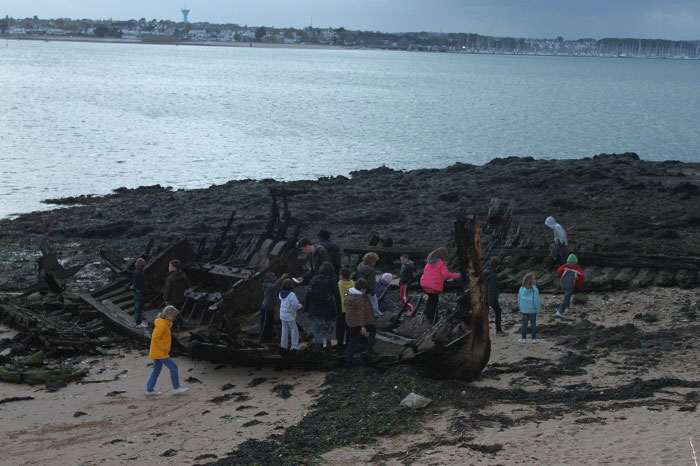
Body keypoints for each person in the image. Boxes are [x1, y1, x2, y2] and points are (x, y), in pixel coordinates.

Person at [146, 306, 188, 395]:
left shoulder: (165, 323)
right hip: (160, 352)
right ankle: (176, 388)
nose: (175, 318)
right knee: (174, 367)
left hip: (157, 351)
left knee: (156, 370)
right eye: (174, 316)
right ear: (168, 315)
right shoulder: (161, 325)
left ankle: (149, 390)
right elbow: (155, 338)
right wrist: (165, 348)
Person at [304, 262, 341, 350]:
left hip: (315, 308)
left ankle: (319, 346)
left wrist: (306, 307)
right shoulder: (333, 280)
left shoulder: (314, 278)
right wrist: (339, 309)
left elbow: (308, 294)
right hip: (329, 309)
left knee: (317, 329)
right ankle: (327, 343)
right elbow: (337, 296)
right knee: (329, 326)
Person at [420, 248, 460, 324]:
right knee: (434, 301)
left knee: (430, 299)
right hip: (433, 285)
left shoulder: (429, 263)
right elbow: (446, 275)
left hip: (425, 284)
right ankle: (432, 318)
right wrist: (457, 276)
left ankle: (427, 315)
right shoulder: (441, 263)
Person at [344, 278, 377, 366]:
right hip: (359, 322)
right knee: (373, 330)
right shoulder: (360, 298)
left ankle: (349, 360)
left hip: (351, 322)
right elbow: (362, 313)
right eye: (365, 290)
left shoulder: (348, 295)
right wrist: (363, 326)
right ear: (362, 289)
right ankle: (369, 349)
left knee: (352, 340)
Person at [260, 271, 288, 343]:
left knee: (269, 325)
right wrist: (282, 278)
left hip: (271, 308)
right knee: (265, 325)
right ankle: (262, 340)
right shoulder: (266, 284)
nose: (275, 278)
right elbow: (274, 286)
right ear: (270, 278)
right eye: (274, 277)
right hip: (266, 307)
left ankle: (268, 339)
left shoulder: (271, 285)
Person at [483, 257, 506, 336]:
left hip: (484, 296)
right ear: (497, 266)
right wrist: (491, 301)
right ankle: (498, 330)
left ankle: (483, 331)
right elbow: (491, 289)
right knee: (498, 312)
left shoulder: (485, 272)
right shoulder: (493, 276)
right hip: (491, 297)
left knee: (485, 314)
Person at [164, 259, 189, 331]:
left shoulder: (170, 277)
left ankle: (174, 327)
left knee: (171, 314)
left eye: (170, 266)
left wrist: (166, 299)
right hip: (180, 298)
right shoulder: (183, 275)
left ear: (174, 267)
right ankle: (182, 324)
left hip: (171, 299)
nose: (169, 267)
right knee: (177, 312)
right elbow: (187, 286)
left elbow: (167, 290)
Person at [518, 272, 541, 343]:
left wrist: (520, 308)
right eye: (534, 279)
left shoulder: (521, 288)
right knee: (533, 324)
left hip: (524, 310)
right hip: (532, 310)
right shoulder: (535, 290)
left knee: (524, 324)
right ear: (530, 281)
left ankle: (523, 338)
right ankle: (534, 339)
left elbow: (519, 299)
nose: (535, 280)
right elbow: (536, 301)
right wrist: (538, 310)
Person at [279, 279, 302, 351]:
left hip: (282, 314)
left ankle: (283, 346)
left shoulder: (280, 293)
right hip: (290, 315)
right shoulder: (291, 294)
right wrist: (300, 306)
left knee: (284, 330)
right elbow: (295, 304)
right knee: (294, 330)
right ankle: (294, 346)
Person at [355, 252, 381, 317]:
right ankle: (376, 316)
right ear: (372, 261)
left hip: (360, 289)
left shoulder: (360, 267)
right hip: (368, 290)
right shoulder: (370, 270)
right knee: (374, 303)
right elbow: (371, 283)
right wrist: (372, 292)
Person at [336, 267, 355, 352]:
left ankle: (340, 346)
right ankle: (348, 346)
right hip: (351, 310)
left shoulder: (339, 284)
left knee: (340, 329)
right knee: (349, 329)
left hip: (341, 310)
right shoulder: (353, 284)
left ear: (341, 275)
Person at [132, 258, 147, 328]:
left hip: (136, 292)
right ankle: (138, 323)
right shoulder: (141, 274)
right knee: (139, 308)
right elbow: (143, 286)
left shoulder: (135, 272)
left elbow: (134, 284)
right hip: (140, 293)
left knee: (136, 307)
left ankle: (137, 321)